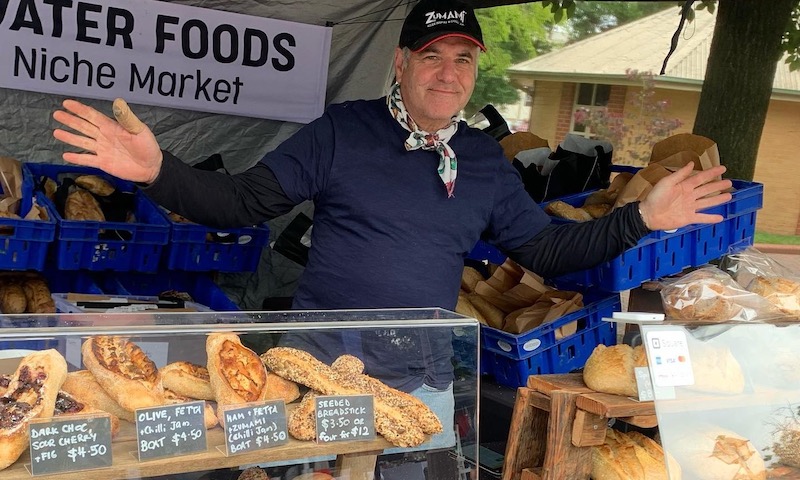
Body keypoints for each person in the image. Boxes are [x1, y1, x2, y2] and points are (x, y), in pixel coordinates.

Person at [51, 0, 731, 453]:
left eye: (463, 58)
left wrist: (643, 216)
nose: (448, 72)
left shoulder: (484, 165)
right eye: (432, 55)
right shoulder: (345, 131)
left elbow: (550, 248)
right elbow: (242, 202)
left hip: (421, 372)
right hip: (316, 364)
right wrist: (156, 172)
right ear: (402, 63)